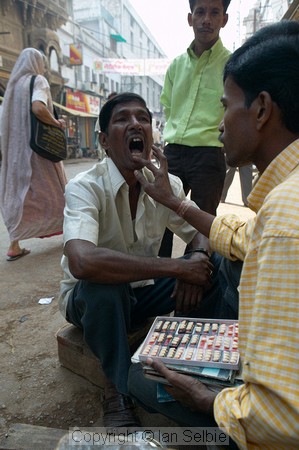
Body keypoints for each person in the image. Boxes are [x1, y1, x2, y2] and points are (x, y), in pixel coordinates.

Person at [129, 20, 299, 449]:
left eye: (226, 106)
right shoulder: (284, 198)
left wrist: (209, 400)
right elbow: (242, 235)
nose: (220, 124)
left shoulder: (284, 218)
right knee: (223, 260)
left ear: (261, 109)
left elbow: (282, 420)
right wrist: (177, 203)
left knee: (139, 377)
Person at [58, 92, 217, 429]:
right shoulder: (85, 187)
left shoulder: (165, 183)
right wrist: (177, 266)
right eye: (122, 119)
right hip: (90, 299)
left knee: (212, 272)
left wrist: (198, 255)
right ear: (103, 140)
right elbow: (82, 262)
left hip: (143, 292)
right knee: (105, 288)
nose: (135, 124)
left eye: (143, 118)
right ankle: (117, 388)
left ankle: (194, 362)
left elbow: (204, 229)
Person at [158, 0, 231, 257]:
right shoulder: (176, 66)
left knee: (202, 223)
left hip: (208, 155)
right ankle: (158, 281)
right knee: (160, 217)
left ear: (224, 19)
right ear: (190, 18)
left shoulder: (232, 65)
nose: (206, 20)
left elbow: (235, 107)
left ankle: (196, 284)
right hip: (172, 153)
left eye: (214, 12)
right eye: (200, 12)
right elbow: (167, 105)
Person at [0, 48, 67, 261]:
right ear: (36, 64)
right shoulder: (38, 81)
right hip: (38, 150)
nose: (45, 69)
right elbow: (38, 108)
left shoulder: (12, 87)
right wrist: (56, 122)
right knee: (55, 190)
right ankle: (70, 231)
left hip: (15, 152)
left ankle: (14, 244)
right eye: (43, 64)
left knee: (19, 193)